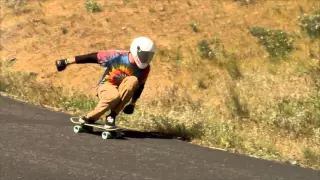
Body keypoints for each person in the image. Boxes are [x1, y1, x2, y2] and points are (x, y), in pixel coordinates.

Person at [55, 36, 156, 128]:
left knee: (133, 80)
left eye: (148, 56)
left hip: (122, 90)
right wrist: (66, 61)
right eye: (144, 55)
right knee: (113, 96)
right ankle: (90, 118)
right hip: (106, 85)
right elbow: (91, 57)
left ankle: (111, 116)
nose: (146, 58)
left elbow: (140, 86)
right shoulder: (117, 56)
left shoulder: (145, 69)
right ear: (135, 49)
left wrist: (132, 104)